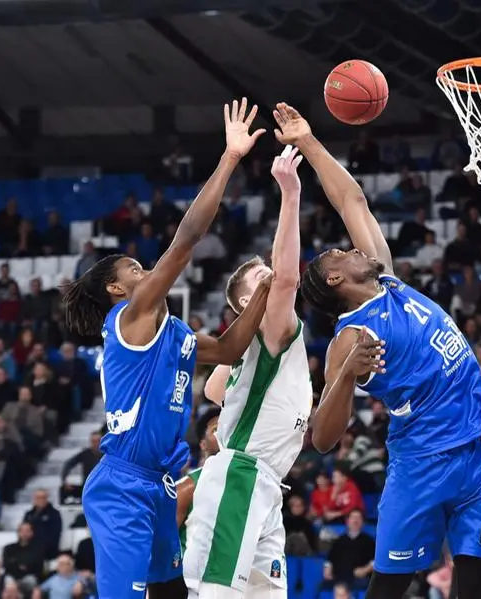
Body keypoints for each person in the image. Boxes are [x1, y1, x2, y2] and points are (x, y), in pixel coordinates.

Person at [279, 103, 481, 599]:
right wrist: (344, 379)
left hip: (475, 453)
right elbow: (323, 438)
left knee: (479, 585)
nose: (354, 248)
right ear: (335, 278)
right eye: (341, 253)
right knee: (389, 590)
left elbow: (352, 201)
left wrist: (309, 142)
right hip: (423, 463)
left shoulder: (390, 282)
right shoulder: (350, 337)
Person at [60, 99, 272, 599]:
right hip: (121, 487)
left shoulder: (173, 333)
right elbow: (187, 238)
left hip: (158, 484)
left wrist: (269, 290)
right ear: (116, 290)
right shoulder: (129, 319)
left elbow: (227, 348)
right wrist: (230, 158)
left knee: (172, 593)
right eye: (133, 269)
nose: (145, 271)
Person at [183, 146, 313, 599]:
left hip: (266, 485)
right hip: (240, 474)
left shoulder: (255, 344)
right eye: (260, 280)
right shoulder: (273, 330)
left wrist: (237, 360)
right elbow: (287, 279)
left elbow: (218, 387)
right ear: (242, 305)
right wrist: (291, 194)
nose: (272, 279)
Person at [176, 408, 220, 555]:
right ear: (203, 444)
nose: (225, 434)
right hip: (189, 574)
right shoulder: (187, 488)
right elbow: (163, 542)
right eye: (216, 429)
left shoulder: (248, 485)